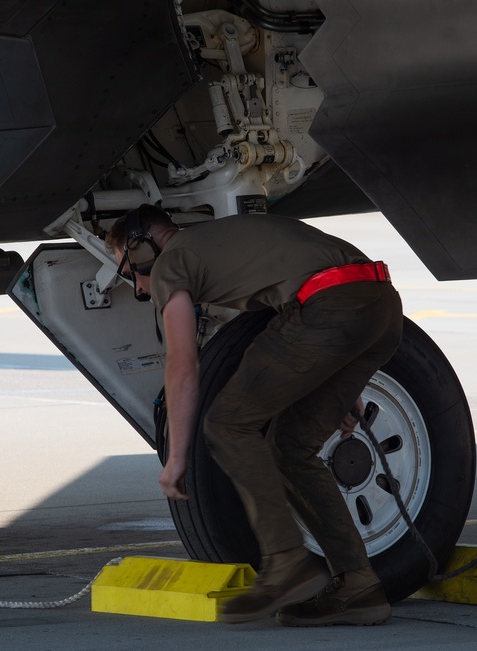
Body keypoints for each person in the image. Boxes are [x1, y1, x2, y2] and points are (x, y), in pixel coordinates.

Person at [106, 204, 403, 626]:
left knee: (227, 424)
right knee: (291, 447)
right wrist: (342, 378)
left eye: (128, 272)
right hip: (381, 307)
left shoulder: (172, 261)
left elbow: (183, 365)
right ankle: (359, 587)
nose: (138, 288)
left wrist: (176, 458)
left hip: (326, 309)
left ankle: (286, 562)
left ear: (139, 250)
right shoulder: (222, 241)